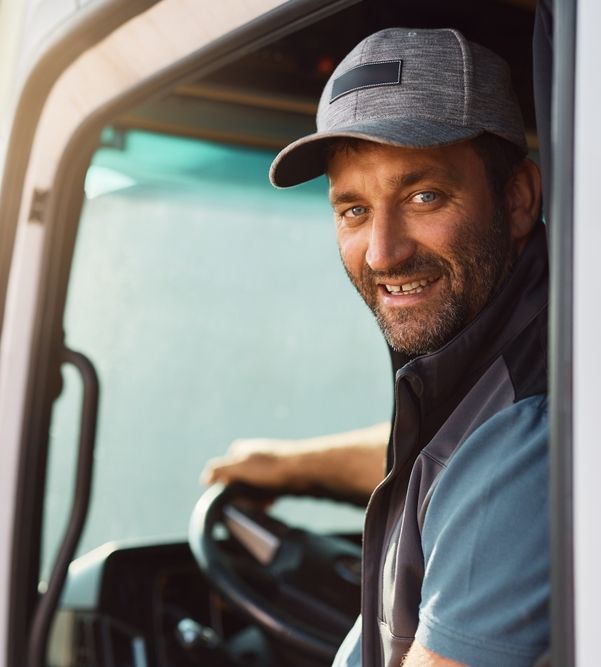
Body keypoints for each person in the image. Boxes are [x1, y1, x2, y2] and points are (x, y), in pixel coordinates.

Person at [204, 27, 549, 667]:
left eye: (424, 196)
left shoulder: (528, 432)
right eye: (353, 210)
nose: (383, 252)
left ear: (518, 199)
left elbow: (488, 466)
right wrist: (288, 465)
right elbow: (443, 465)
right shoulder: (494, 369)